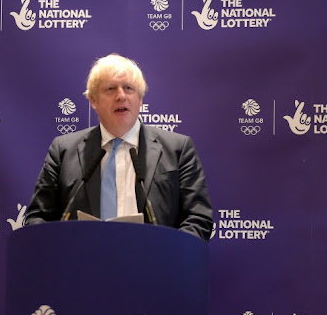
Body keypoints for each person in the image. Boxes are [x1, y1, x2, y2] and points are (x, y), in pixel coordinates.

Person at [24, 54, 213, 241]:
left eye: (129, 88)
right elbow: (37, 218)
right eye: (110, 89)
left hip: (155, 266)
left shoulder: (178, 149)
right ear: (94, 101)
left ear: (140, 100)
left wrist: (168, 255)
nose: (121, 96)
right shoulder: (63, 151)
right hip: (82, 266)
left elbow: (198, 219)